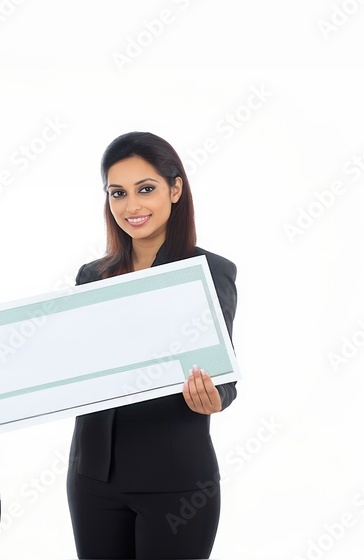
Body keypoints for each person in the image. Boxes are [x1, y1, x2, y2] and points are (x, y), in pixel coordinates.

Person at [66, 131, 239, 559]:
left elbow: (225, 379)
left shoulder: (208, 271)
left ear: (175, 188)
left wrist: (213, 397)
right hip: (93, 478)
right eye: (118, 193)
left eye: (146, 189)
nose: (132, 206)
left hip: (176, 481)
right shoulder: (91, 276)